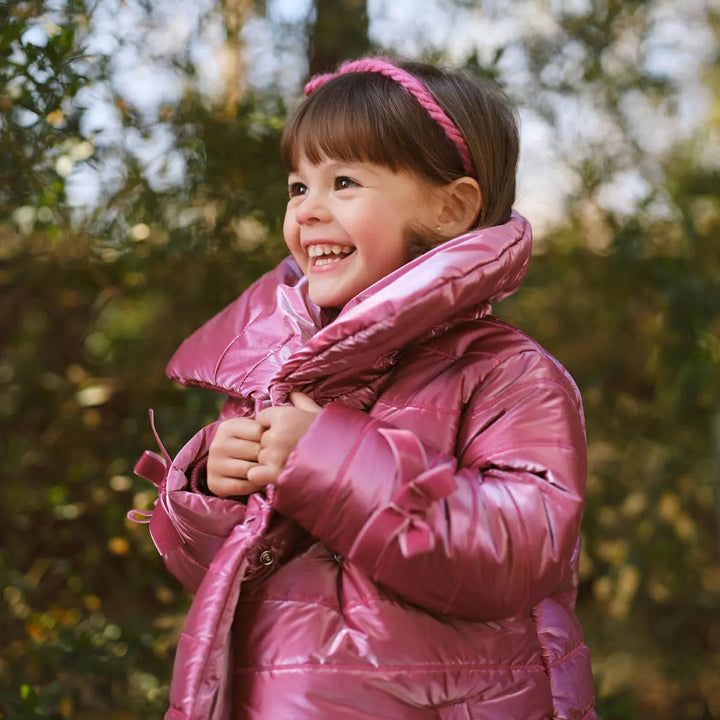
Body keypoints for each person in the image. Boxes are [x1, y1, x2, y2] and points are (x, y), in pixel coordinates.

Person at [132, 57, 596, 720]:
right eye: (297, 187)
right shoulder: (284, 371)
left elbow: (516, 553)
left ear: (450, 207)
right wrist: (212, 488)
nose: (308, 210)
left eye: (343, 181)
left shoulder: (510, 375)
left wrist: (323, 459)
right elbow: (221, 576)